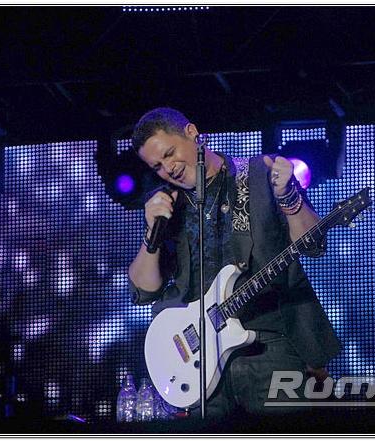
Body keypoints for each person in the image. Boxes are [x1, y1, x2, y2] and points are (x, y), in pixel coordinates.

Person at [127, 107, 340, 418]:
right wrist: (151, 234)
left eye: (170, 154)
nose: (168, 168)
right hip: (199, 361)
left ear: (192, 133)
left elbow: (313, 245)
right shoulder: (165, 204)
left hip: (269, 343)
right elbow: (143, 290)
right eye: (157, 166)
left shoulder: (259, 174)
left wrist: (288, 197)